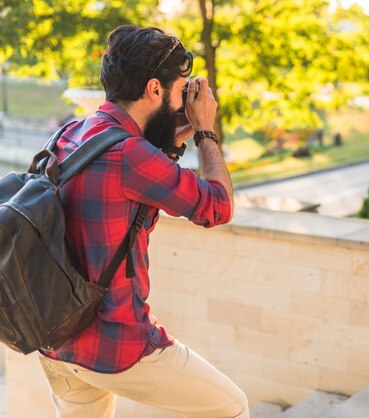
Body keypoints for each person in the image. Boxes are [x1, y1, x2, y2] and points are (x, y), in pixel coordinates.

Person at [37, 25, 248, 418]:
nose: (185, 99)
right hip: (115, 345)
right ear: (154, 89)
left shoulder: (72, 133)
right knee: (231, 407)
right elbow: (217, 207)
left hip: (55, 340)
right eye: (181, 90)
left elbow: (136, 173)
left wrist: (178, 129)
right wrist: (204, 130)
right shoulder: (130, 156)